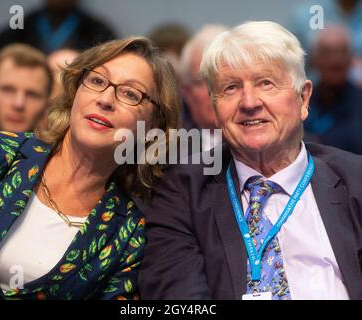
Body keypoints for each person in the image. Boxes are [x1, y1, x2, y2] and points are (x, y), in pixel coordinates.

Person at [139, 21, 362, 300]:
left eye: (266, 83)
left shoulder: (356, 180)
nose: (249, 102)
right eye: (231, 88)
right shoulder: (182, 192)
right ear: (214, 106)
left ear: (304, 99)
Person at [0, 36, 181, 299]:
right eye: (97, 81)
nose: (106, 99)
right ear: (75, 92)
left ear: (153, 126)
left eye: (130, 93)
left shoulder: (129, 237)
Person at [304, 25, 362, 154]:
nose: (335, 60)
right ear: (315, 60)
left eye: (341, 52)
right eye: (327, 52)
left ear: (351, 59)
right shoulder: (301, 104)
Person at [0, 43, 53, 132]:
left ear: (47, 106)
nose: (19, 104)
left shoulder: (60, 146)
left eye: (32, 95)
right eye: (8, 90)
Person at [180, 25, 227, 152]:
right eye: (203, 81)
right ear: (186, 91)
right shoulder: (166, 152)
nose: (214, 92)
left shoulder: (264, 145)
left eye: (226, 82)